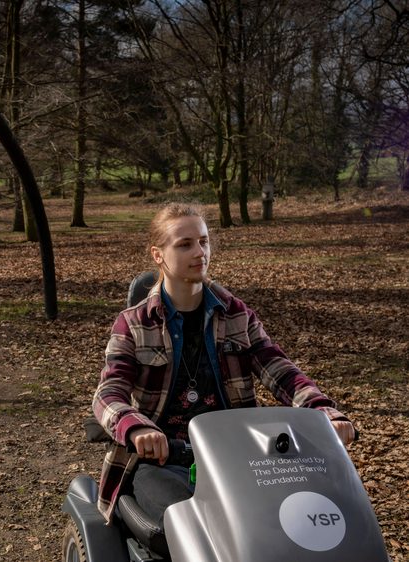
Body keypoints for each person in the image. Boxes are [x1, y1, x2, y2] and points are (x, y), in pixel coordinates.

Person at [92, 203, 355, 528]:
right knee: (193, 529)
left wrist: (322, 410)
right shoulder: (132, 324)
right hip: (162, 460)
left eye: (203, 241)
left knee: (291, 522)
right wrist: (137, 427)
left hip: (240, 455)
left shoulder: (236, 315)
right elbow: (108, 394)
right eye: (184, 244)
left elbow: (282, 371)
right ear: (158, 255)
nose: (199, 252)